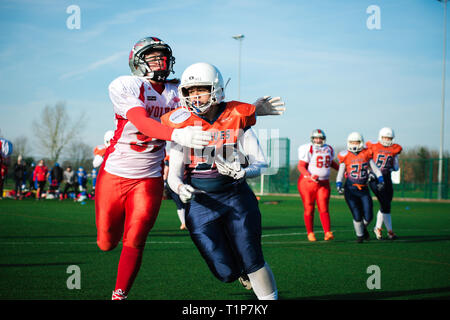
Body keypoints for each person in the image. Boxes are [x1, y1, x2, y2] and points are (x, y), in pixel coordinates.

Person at [96, 36, 285, 300]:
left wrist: (253, 110)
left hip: (154, 174)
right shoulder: (126, 86)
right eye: (153, 57)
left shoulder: (179, 93)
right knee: (106, 242)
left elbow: (218, 111)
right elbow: (142, 122)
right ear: (137, 62)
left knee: (136, 237)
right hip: (119, 169)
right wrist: (178, 139)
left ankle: (119, 294)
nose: (160, 62)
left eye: (164, 56)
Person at [162, 62, 280, 300]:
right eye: (190, 91)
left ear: (216, 88)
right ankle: (239, 271)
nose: (195, 96)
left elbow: (261, 163)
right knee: (224, 271)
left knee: (253, 259)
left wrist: (244, 172)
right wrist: (180, 187)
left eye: (201, 89)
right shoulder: (181, 124)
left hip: (237, 197)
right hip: (201, 202)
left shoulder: (237, 117)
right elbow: (173, 175)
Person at [336, 132, 384, 243]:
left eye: (356, 142)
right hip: (350, 189)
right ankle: (360, 235)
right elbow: (340, 172)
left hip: (363, 189)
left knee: (368, 216)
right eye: (352, 142)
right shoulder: (345, 155)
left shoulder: (366, 153)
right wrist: (338, 184)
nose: (354, 144)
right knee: (357, 215)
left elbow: (376, 169)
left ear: (360, 142)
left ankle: (363, 229)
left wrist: (381, 180)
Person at [297, 129, 339, 242]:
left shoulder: (328, 149)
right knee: (309, 207)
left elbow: (331, 163)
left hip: (324, 182)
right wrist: (309, 176)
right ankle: (310, 233)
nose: (318, 140)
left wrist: (342, 170)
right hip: (308, 183)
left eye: (320, 138)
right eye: (316, 138)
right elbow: (301, 166)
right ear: (312, 139)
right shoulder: (308, 148)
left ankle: (327, 232)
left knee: (324, 207)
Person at [366, 127, 402, 240]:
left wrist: (394, 161)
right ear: (380, 137)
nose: (387, 139)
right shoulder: (373, 146)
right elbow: (366, 160)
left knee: (387, 204)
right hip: (375, 178)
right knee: (385, 203)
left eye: (389, 138)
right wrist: (368, 172)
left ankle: (379, 228)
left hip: (386, 177)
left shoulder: (394, 149)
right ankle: (389, 231)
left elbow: (396, 167)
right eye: (385, 137)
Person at [163, 155, 187, 230]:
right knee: (183, 203)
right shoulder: (171, 157)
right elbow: (166, 169)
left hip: (177, 182)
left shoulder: (171, 156)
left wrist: (165, 181)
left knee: (180, 204)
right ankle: (184, 223)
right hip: (181, 181)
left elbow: (166, 170)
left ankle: (184, 223)